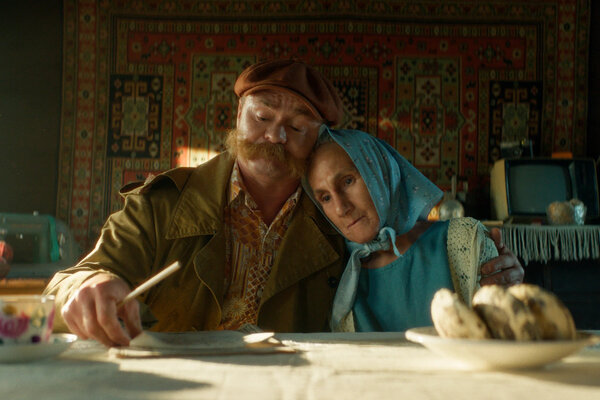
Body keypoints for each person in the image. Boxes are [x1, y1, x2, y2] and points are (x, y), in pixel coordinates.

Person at [43, 59, 348, 347]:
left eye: (297, 127)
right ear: (239, 113)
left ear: (320, 139)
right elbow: (66, 285)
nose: (274, 135)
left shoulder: (338, 218)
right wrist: (90, 284)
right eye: (262, 117)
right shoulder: (160, 205)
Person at [304, 126, 524, 332]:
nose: (341, 208)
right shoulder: (332, 271)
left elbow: (503, 335)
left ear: (379, 171)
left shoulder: (462, 240)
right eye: (325, 197)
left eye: (347, 181)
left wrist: (515, 298)